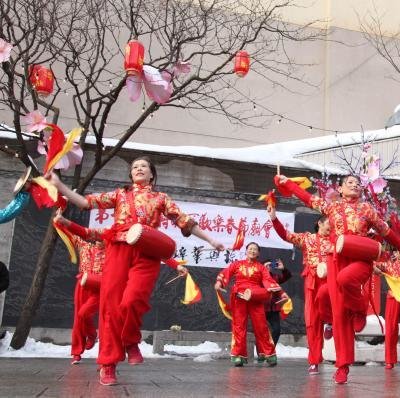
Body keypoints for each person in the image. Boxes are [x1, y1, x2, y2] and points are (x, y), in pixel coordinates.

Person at [46, 157, 224, 386]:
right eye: (134, 167)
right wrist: (59, 185)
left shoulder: (161, 199)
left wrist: (212, 239)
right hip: (118, 248)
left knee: (132, 300)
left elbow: (185, 221)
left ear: (152, 175)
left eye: (144, 167)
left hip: (146, 252)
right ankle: (108, 364)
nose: (139, 169)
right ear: (131, 175)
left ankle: (130, 339)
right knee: (110, 306)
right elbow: (85, 203)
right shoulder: (120, 194)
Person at [274, 174, 400, 384]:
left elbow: (385, 230)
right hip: (336, 259)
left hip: (361, 258)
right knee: (335, 310)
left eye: (357, 184)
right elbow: (307, 198)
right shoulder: (331, 207)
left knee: (346, 280)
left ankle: (360, 308)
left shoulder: (367, 209)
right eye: (349, 183)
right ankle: (342, 365)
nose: (354, 186)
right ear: (341, 188)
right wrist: (286, 183)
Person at [269, 206, 333, 375]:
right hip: (312, 280)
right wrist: (274, 218)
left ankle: (330, 321)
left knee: (328, 302)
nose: (331, 227)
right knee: (312, 322)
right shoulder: (307, 239)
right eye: (329, 223)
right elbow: (285, 235)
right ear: (320, 223)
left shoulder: (336, 240)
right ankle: (314, 361)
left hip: (331, 280)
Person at [215, 242, 280, 367]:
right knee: (239, 326)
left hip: (255, 298)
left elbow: (267, 279)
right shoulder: (237, 264)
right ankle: (238, 355)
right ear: (246, 251)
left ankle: (269, 353)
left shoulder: (261, 267)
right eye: (250, 249)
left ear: (258, 253)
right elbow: (226, 273)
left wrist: (271, 287)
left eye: (255, 249)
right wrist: (219, 282)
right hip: (239, 298)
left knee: (261, 326)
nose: (253, 251)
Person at [54, 214, 106, 365]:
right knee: (78, 318)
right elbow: (69, 233)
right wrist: (58, 220)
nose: (97, 238)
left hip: (98, 286)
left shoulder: (110, 249)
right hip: (82, 284)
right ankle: (76, 352)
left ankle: (92, 335)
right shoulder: (83, 245)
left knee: (85, 313)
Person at [261, 257, 291, 347]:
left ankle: (270, 350)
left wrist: (283, 269)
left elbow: (287, 276)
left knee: (276, 330)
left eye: (270, 265)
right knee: (261, 332)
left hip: (274, 309)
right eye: (266, 265)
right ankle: (261, 353)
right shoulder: (258, 277)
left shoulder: (275, 277)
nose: (268, 267)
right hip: (261, 308)